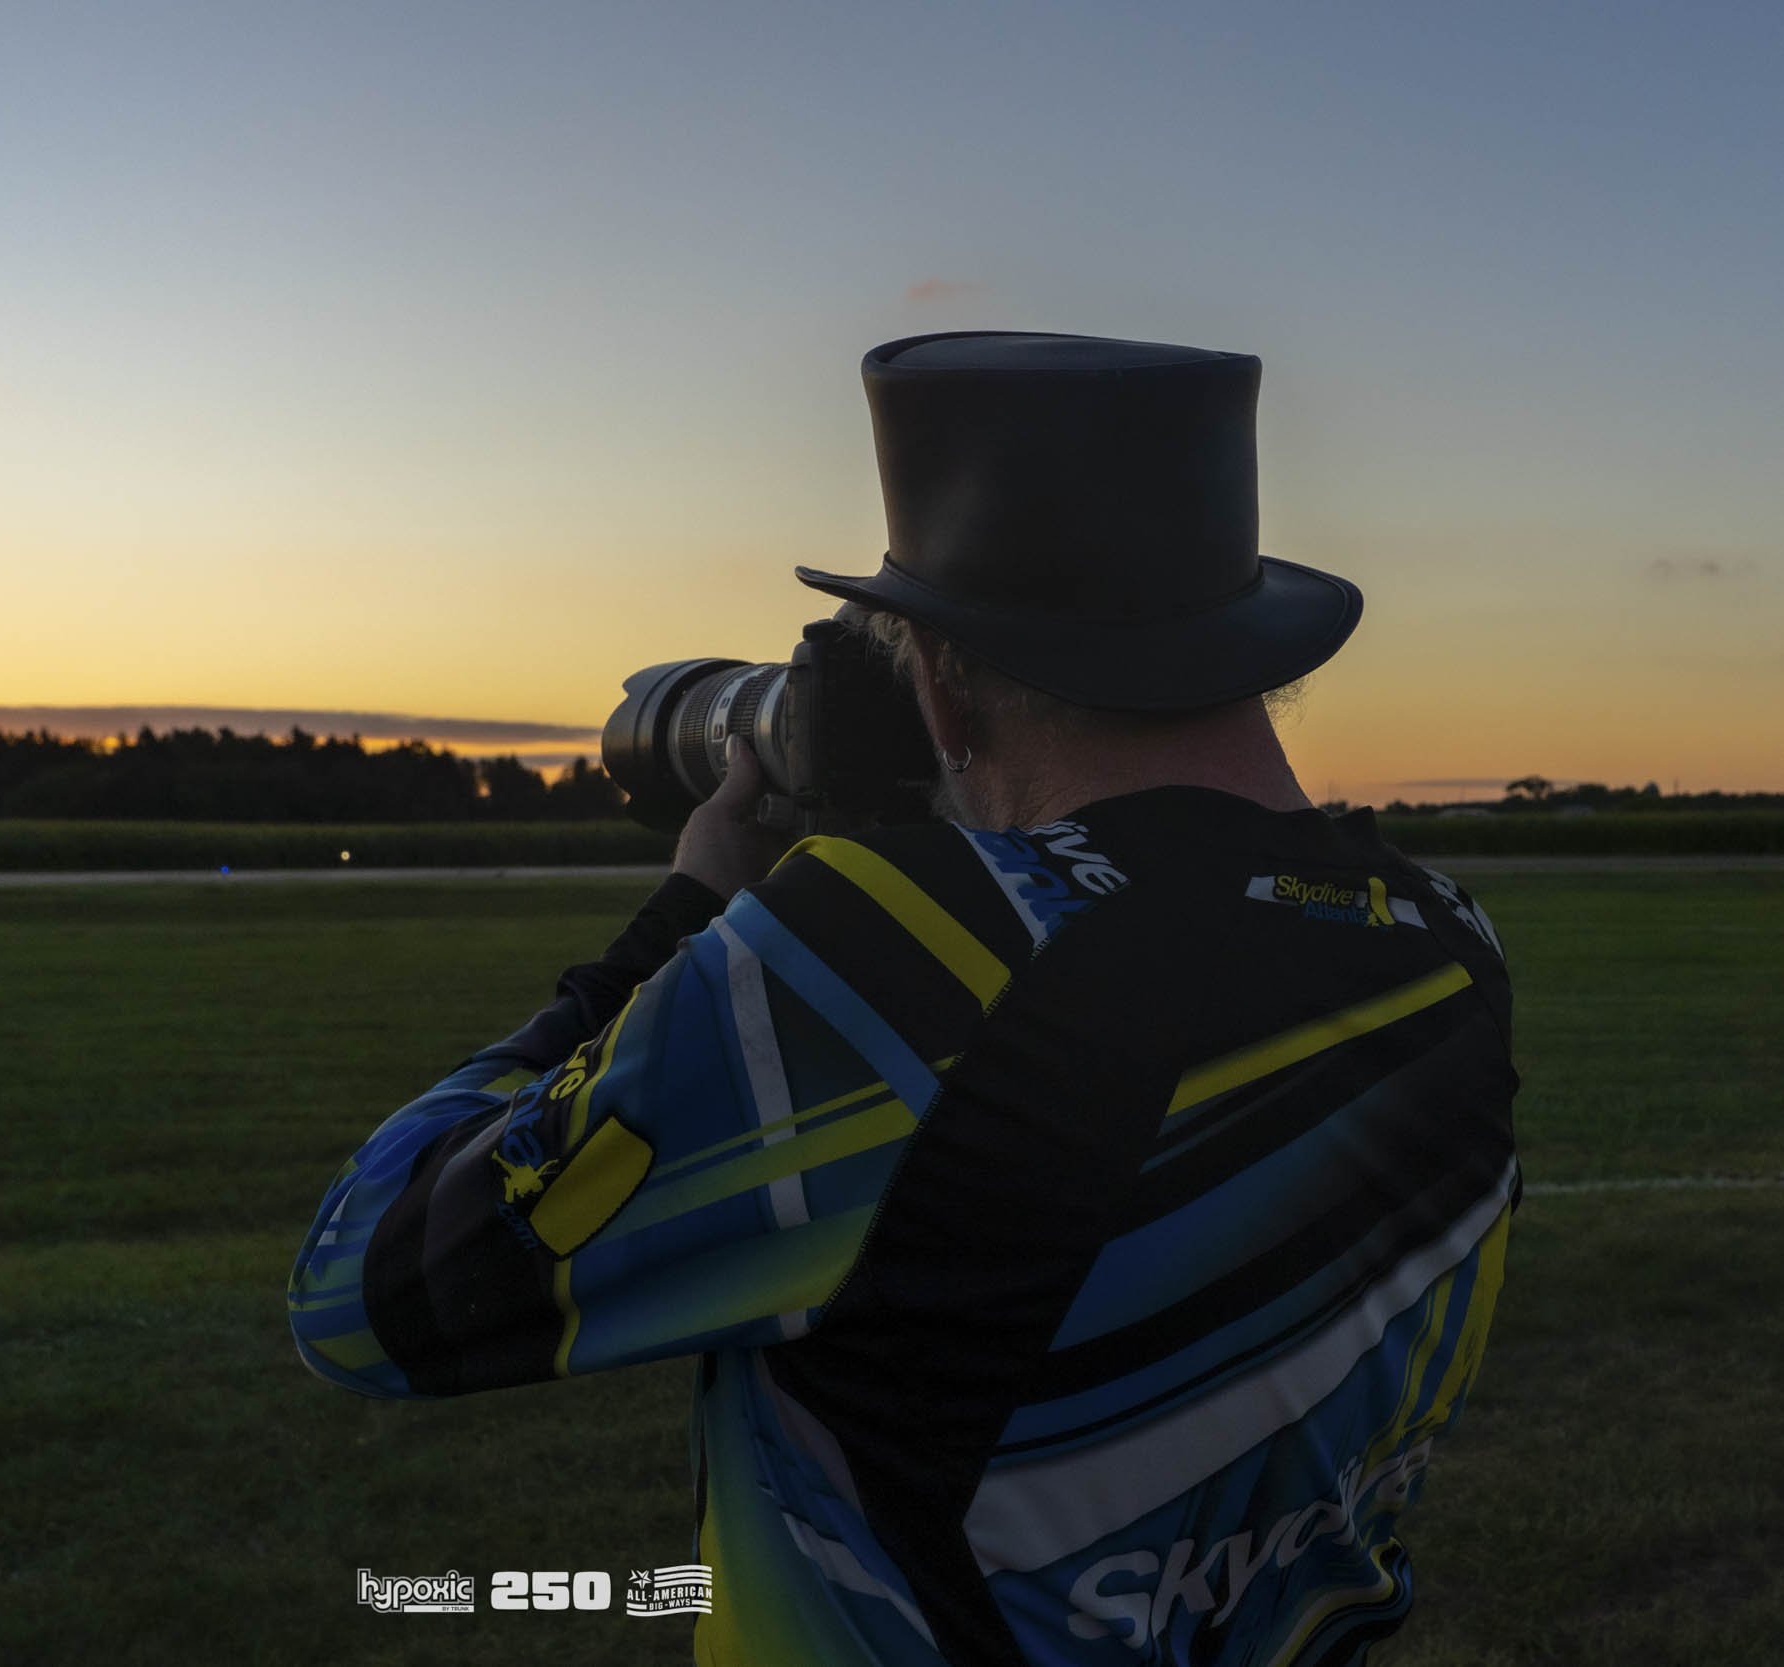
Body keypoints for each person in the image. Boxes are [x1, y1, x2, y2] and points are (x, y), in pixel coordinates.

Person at [287, 331, 1520, 1665]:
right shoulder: (1447, 943)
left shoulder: (911, 951)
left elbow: (362, 1295)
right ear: (1247, 644)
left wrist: (683, 920)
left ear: (934, 679)